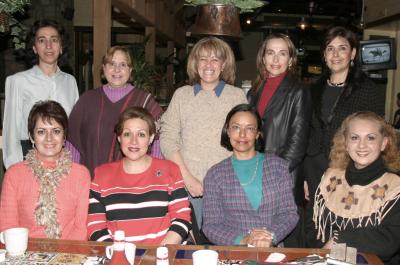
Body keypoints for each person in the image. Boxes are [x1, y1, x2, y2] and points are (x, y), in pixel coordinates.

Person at [160, 37, 247, 228]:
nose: (209, 64)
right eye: (203, 59)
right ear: (195, 63)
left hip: (226, 187)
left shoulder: (236, 96)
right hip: (187, 186)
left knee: (223, 248)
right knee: (190, 248)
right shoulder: (182, 95)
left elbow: (244, 142)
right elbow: (167, 138)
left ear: (223, 64)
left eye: (215, 59)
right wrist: (188, 179)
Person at [305, 111, 400, 265]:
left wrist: (340, 239)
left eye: (371, 138)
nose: (362, 145)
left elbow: (390, 240)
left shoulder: (394, 187)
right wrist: (322, 254)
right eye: (354, 138)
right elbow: (311, 223)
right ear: (346, 144)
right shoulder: (330, 178)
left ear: (383, 143)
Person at [87, 107, 191, 244]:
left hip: (164, 254)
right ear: (119, 138)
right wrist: (119, 255)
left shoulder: (170, 170)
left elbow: (182, 218)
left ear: (151, 138)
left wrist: (159, 254)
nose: (133, 141)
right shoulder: (102, 175)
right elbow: (95, 227)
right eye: (127, 134)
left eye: (141, 134)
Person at [304, 26, 385, 202]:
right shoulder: (312, 88)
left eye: (342, 48)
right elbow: (306, 131)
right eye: (330, 49)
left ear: (353, 53)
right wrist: (303, 175)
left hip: (348, 167)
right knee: (312, 220)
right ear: (324, 55)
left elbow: (377, 135)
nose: (335, 54)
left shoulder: (368, 90)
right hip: (313, 166)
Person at [202, 104, 298, 247]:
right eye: (236, 127)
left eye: (249, 128)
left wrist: (270, 237)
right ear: (227, 131)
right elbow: (211, 225)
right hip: (234, 253)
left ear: (257, 133)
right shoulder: (215, 175)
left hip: (272, 251)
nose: (242, 134)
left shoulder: (278, 167)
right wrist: (243, 240)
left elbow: (289, 213)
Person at [0, 100, 90, 240]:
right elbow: (8, 227)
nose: (49, 138)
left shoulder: (81, 175)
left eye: (56, 131)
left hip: (69, 255)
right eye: (41, 131)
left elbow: (81, 229)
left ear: (64, 136)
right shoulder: (14, 175)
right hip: (25, 255)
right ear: (31, 137)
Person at [67, 46, 163, 176]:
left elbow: (158, 139)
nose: (117, 69)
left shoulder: (144, 100)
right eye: (112, 64)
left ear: (130, 70)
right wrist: (73, 176)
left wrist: (152, 174)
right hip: (92, 180)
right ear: (104, 68)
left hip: (134, 181)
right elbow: (72, 142)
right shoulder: (87, 100)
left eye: (123, 64)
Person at [3, 19, 79, 169]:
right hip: (29, 156)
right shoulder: (17, 81)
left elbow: (74, 127)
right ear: (34, 48)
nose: (49, 46)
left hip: (63, 158)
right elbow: (10, 132)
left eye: (54, 40)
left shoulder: (70, 81)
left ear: (61, 46)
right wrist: (15, 169)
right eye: (42, 40)